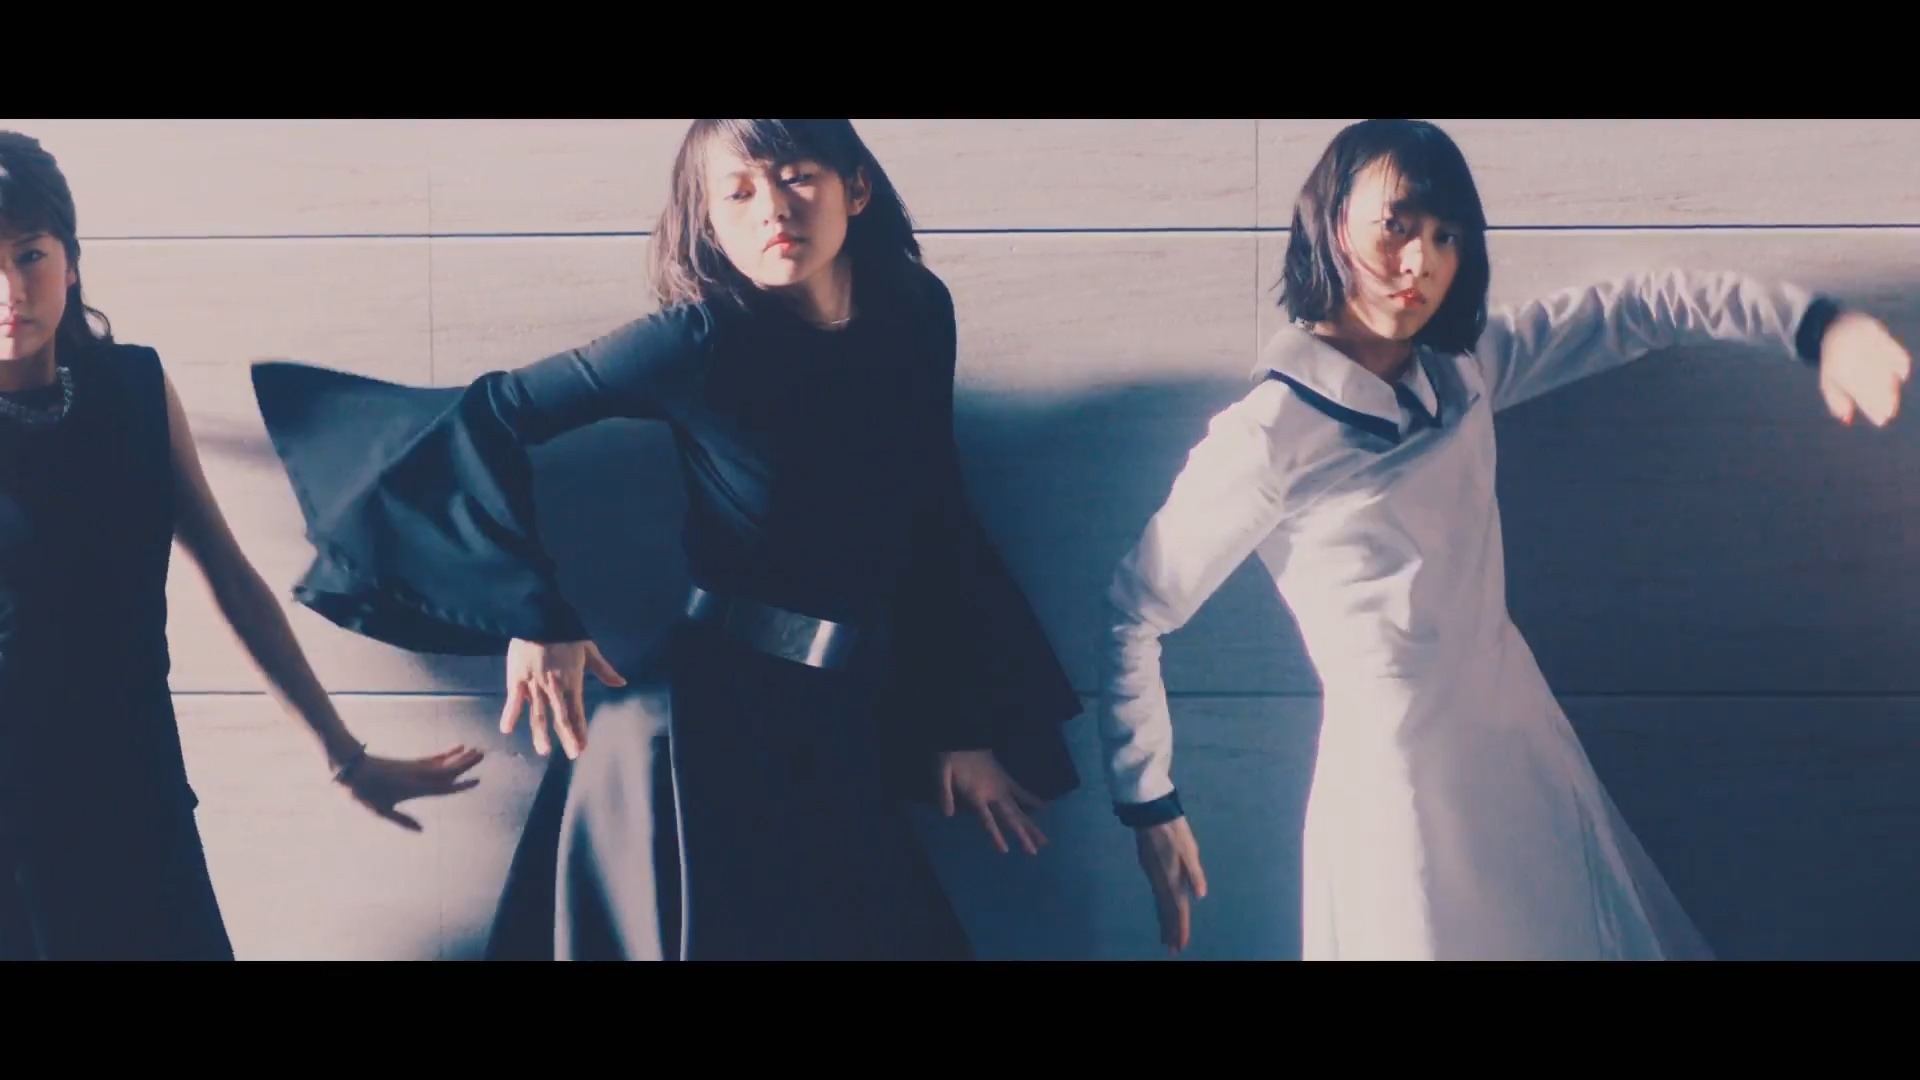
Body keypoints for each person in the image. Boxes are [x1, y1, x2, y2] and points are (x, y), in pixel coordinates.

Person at [249, 118, 1084, 961]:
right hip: (693, 737)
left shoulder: (915, 311)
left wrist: (958, 722)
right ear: (709, 222)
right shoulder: (696, 340)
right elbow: (486, 416)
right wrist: (535, 613)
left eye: (797, 176)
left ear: (856, 188)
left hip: (839, 718)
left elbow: (935, 514)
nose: (773, 209)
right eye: (738, 193)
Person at [1097, 118, 1913, 960]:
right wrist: (1149, 801)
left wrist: (1813, 327)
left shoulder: (1462, 370)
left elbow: (1638, 307)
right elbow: (1135, 613)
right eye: (1396, 226)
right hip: (1399, 786)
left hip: (1521, 747)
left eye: (1447, 236)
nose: (1420, 262)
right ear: (1333, 219)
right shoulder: (1268, 432)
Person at [0, 130, 485, 961]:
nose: (12, 289)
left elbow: (231, 578)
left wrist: (344, 756)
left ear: (71, 262)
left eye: (30, 255)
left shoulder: (133, 389)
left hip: (138, 787)